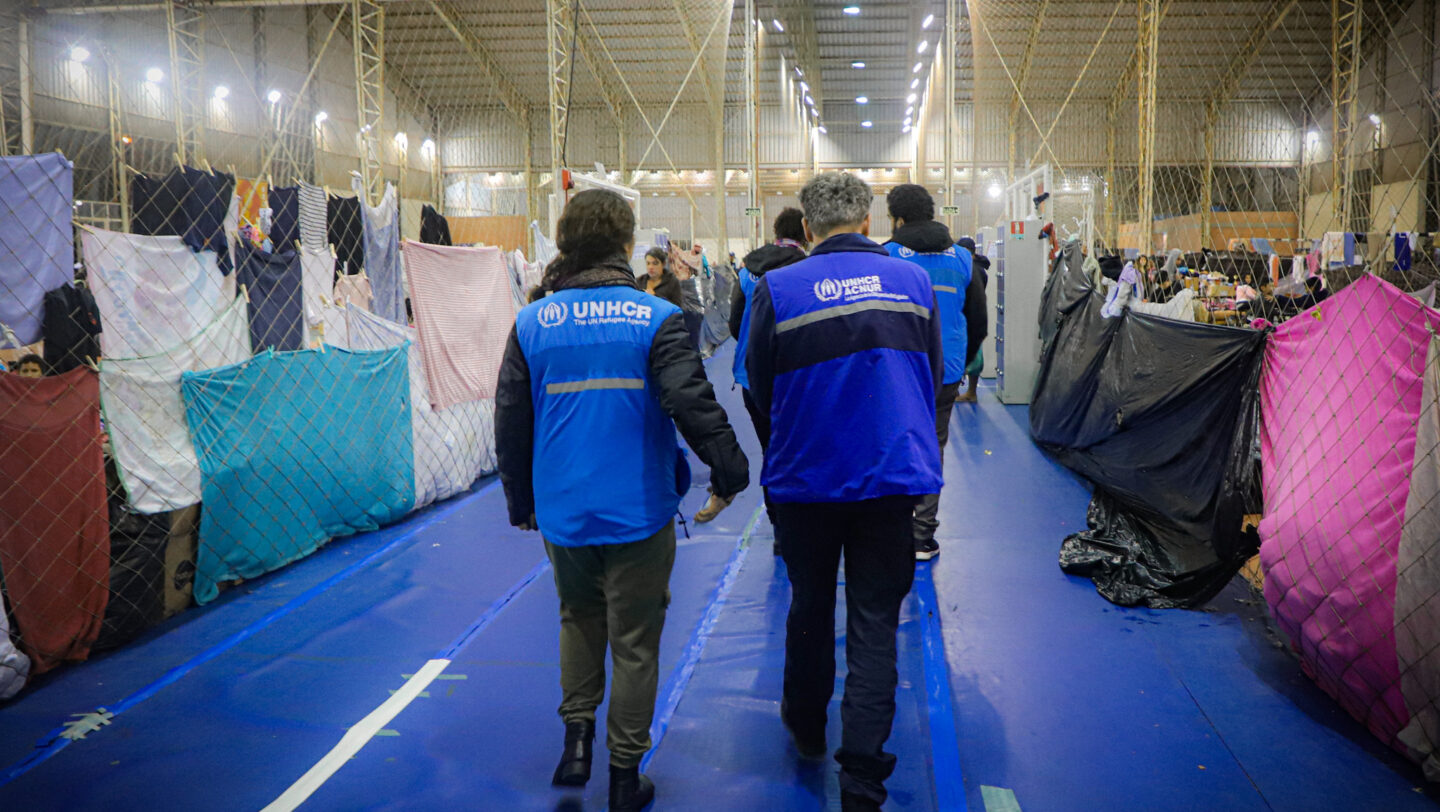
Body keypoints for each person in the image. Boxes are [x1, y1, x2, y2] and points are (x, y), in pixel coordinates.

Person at [495, 190, 749, 812]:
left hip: (563, 509)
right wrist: (730, 471)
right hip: (637, 508)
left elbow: (510, 418)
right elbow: (691, 401)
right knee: (635, 640)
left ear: (565, 242)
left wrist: (521, 501)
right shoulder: (653, 316)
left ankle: (575, 744)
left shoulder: (532, 320)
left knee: (576, 619)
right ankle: (625, 775)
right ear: (629, 245)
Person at [747, 172, 942, 812]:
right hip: (889, 481)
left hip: (806, 482)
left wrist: (792, 438)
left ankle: (806, 726)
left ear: (806, 229)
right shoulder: (914, 283)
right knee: (874, 622)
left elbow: (758, 385)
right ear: (867, 222)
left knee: (808, 605)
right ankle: (862, 778)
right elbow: (931, 374)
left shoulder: (778, 288)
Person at [882, 185, 974, 561]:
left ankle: (895, 529)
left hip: (900, 368)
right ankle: (923, 536)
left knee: (896, 442)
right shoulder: (963, 258)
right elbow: (975, 314)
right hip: (947, 367)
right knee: (934, 445)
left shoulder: (886, 256)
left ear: (898, 219)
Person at [716, 207, 808, 534]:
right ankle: (803, 521)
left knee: (770, 450)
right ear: (806, 232)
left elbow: (735, 325)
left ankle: (778, 525)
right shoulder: (807, 270)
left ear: (774, 232)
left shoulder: (747, 270)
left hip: (750, 377)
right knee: (800, 448)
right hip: (794, 378)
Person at [957, 244, 990, 404]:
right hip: (971, 315)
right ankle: (968, 391)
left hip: (968, 316)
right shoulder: (978, 268)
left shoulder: (974, 270)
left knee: (972, 357)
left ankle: (970, 392)